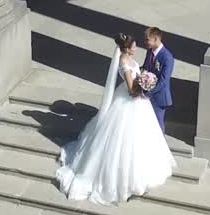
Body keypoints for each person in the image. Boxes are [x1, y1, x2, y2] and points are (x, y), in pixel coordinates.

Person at [55, 32, 176, 205]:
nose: (136, 49)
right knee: (124, 139)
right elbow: (131, 89)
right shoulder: (124, 62)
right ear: (126, 48)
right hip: (130, 100)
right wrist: (143, 85)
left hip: (139, 100)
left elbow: (139, 72)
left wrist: (144, 78)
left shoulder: (131, 59)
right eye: (133, 47)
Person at [141, 26, 174, 131]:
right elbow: (146, 68)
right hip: (146, 93)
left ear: (155, 39)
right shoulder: (149, 52)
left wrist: (148, 93)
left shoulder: (167, 57)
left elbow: (164, 81)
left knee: (158, 125)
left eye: (147, 39)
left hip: (159, 98)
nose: (145, 42)